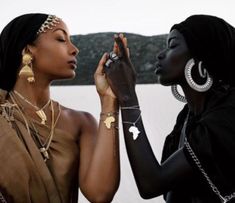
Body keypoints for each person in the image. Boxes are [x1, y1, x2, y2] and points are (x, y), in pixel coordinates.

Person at [103, 15, 235, 202]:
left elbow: (152, 184)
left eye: (173, 45)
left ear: (201, 56)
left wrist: (127, 96)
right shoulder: (188, 116)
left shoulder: (228, 115)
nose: (161, 54)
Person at [0, 13, 120, 203]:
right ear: (28, 50)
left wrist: (109, 101)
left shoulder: (81, 123)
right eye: (61, 39)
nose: (75, 50)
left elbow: (100, 194)